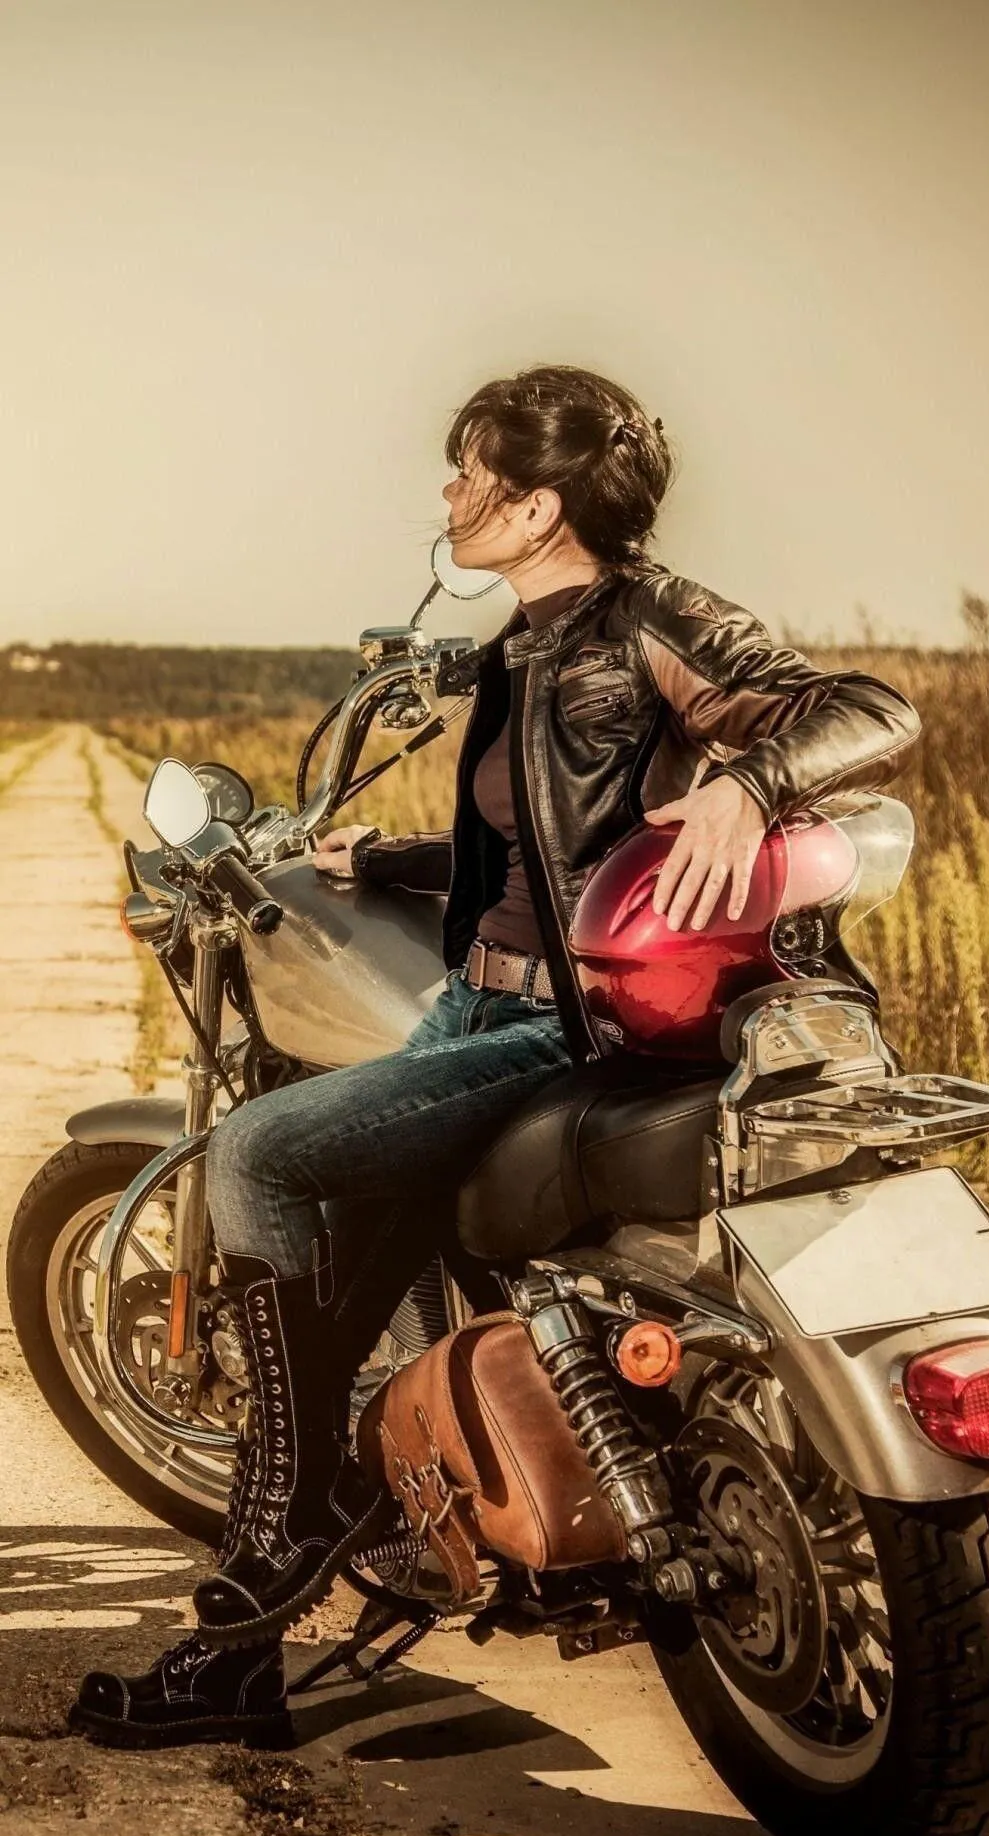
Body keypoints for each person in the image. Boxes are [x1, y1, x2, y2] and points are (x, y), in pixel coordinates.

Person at [70, 363, 921, 1748]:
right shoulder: (529, 643)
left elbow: (866, 703)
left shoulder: (647, 612)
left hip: (555, 1023)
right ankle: (292, 1568)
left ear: (538, 506)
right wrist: (392, 856)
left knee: (259, 1154)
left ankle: (293, 1523)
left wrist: (748, 778)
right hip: (496, 997)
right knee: (362, 1270)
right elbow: (552, 834)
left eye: (471, 475)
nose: (449, 496)